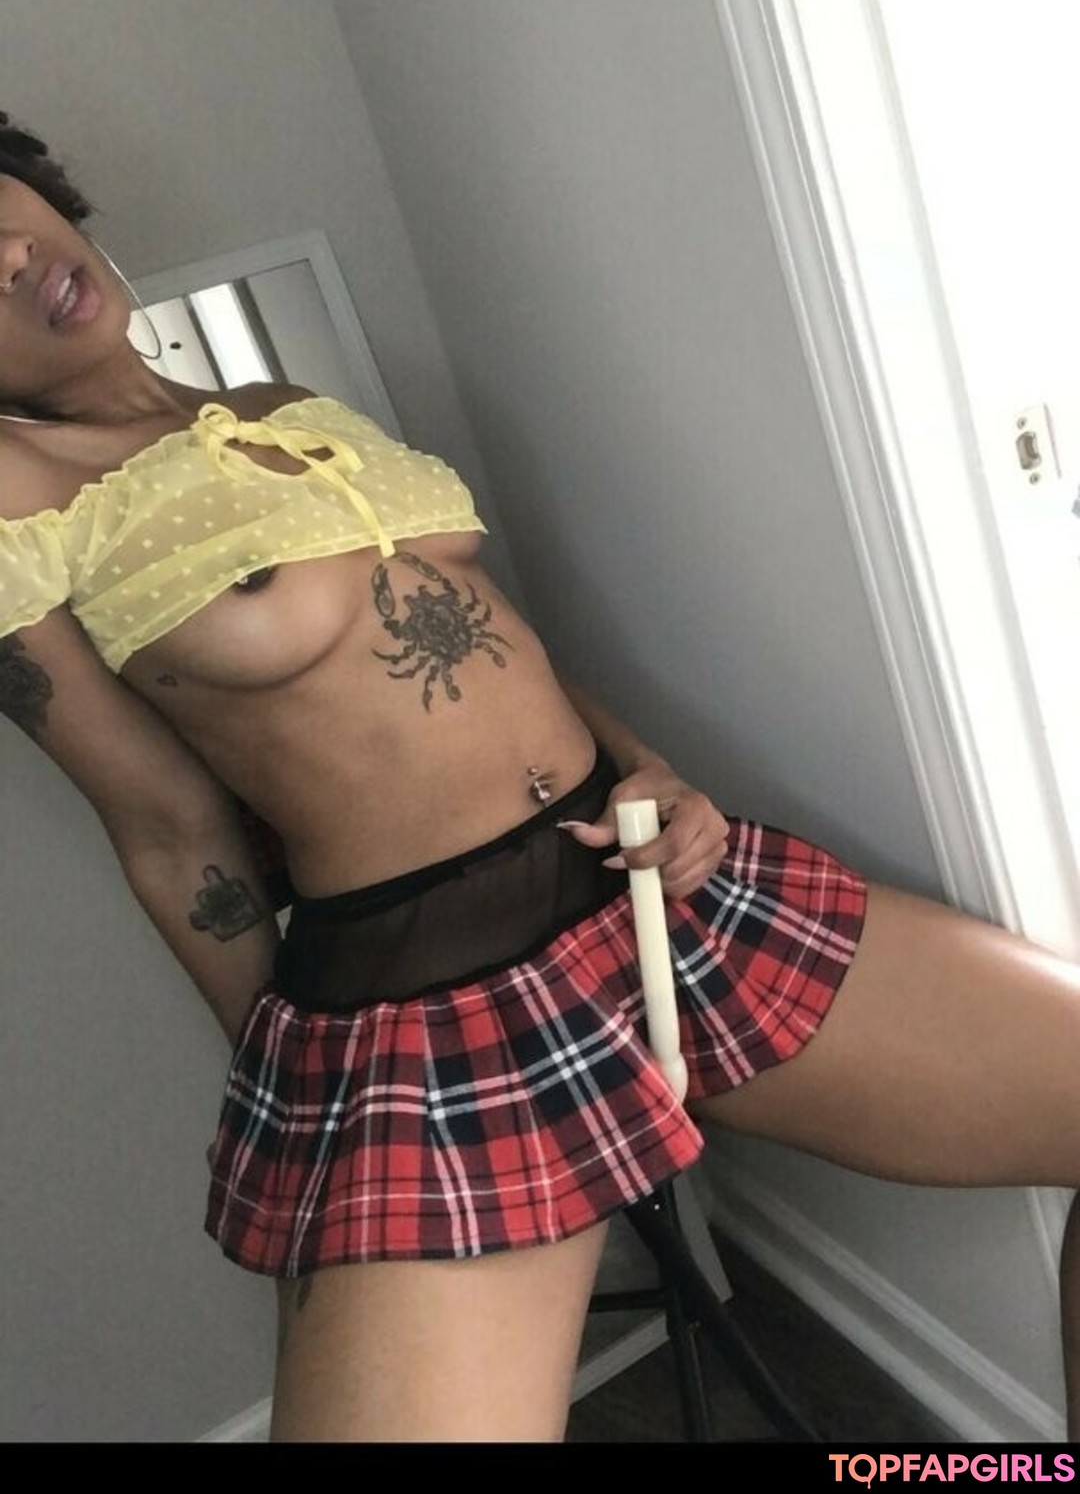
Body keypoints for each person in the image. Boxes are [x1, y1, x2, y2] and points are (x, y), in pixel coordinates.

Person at [1, 110, 1079, 1446]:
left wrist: (652, 766)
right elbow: (171, 830)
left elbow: (492, 634)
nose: (9, 255)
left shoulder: (277, 406)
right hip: (426, 998)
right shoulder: (19, 494)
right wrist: (299, 1112)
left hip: (649, 888)